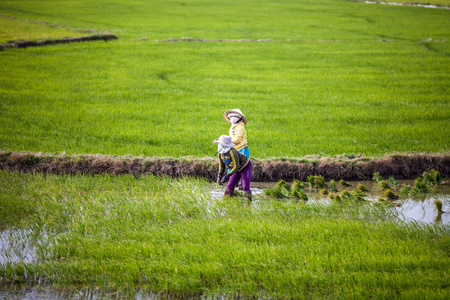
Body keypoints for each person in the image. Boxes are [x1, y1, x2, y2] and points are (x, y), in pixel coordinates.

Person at [214, 135, 253, 200]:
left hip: (245, 167)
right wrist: (219, 176)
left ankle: (248, 205)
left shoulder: (232, 152)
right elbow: (222, 166)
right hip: (235, 169)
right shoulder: (220, 154)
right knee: (229, 187)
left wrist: (227, 175)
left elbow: (236, 166)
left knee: (245, 187)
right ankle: (227, 202)